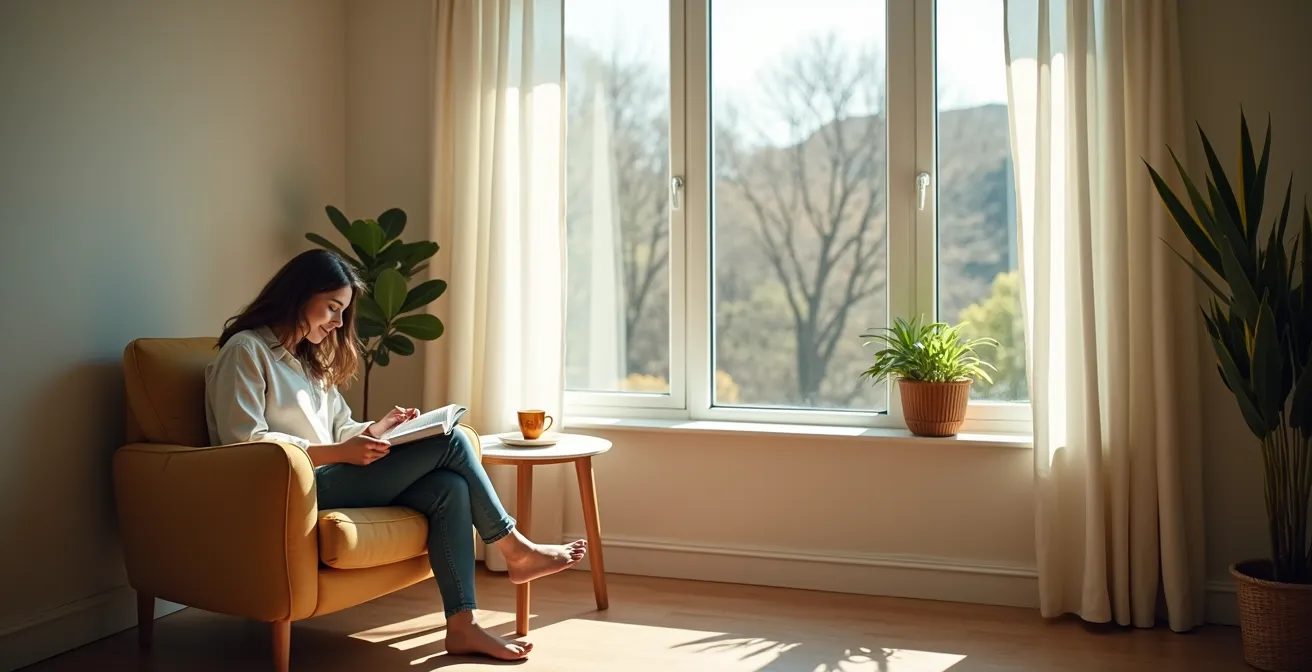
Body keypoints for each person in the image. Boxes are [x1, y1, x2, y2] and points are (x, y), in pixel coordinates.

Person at [203, 249, 585, 661]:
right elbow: (243, 445)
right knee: (451, 442)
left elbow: (339, 426)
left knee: (448, 486)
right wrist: (339, 452)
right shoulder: (245, 351)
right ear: (299, 294)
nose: (336, 322)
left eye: (342, 312)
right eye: (332, 308)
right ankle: (514, 548)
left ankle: (463, 627)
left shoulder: (308, 362)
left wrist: (376, 430)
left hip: (328, 477)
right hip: (286, 492)